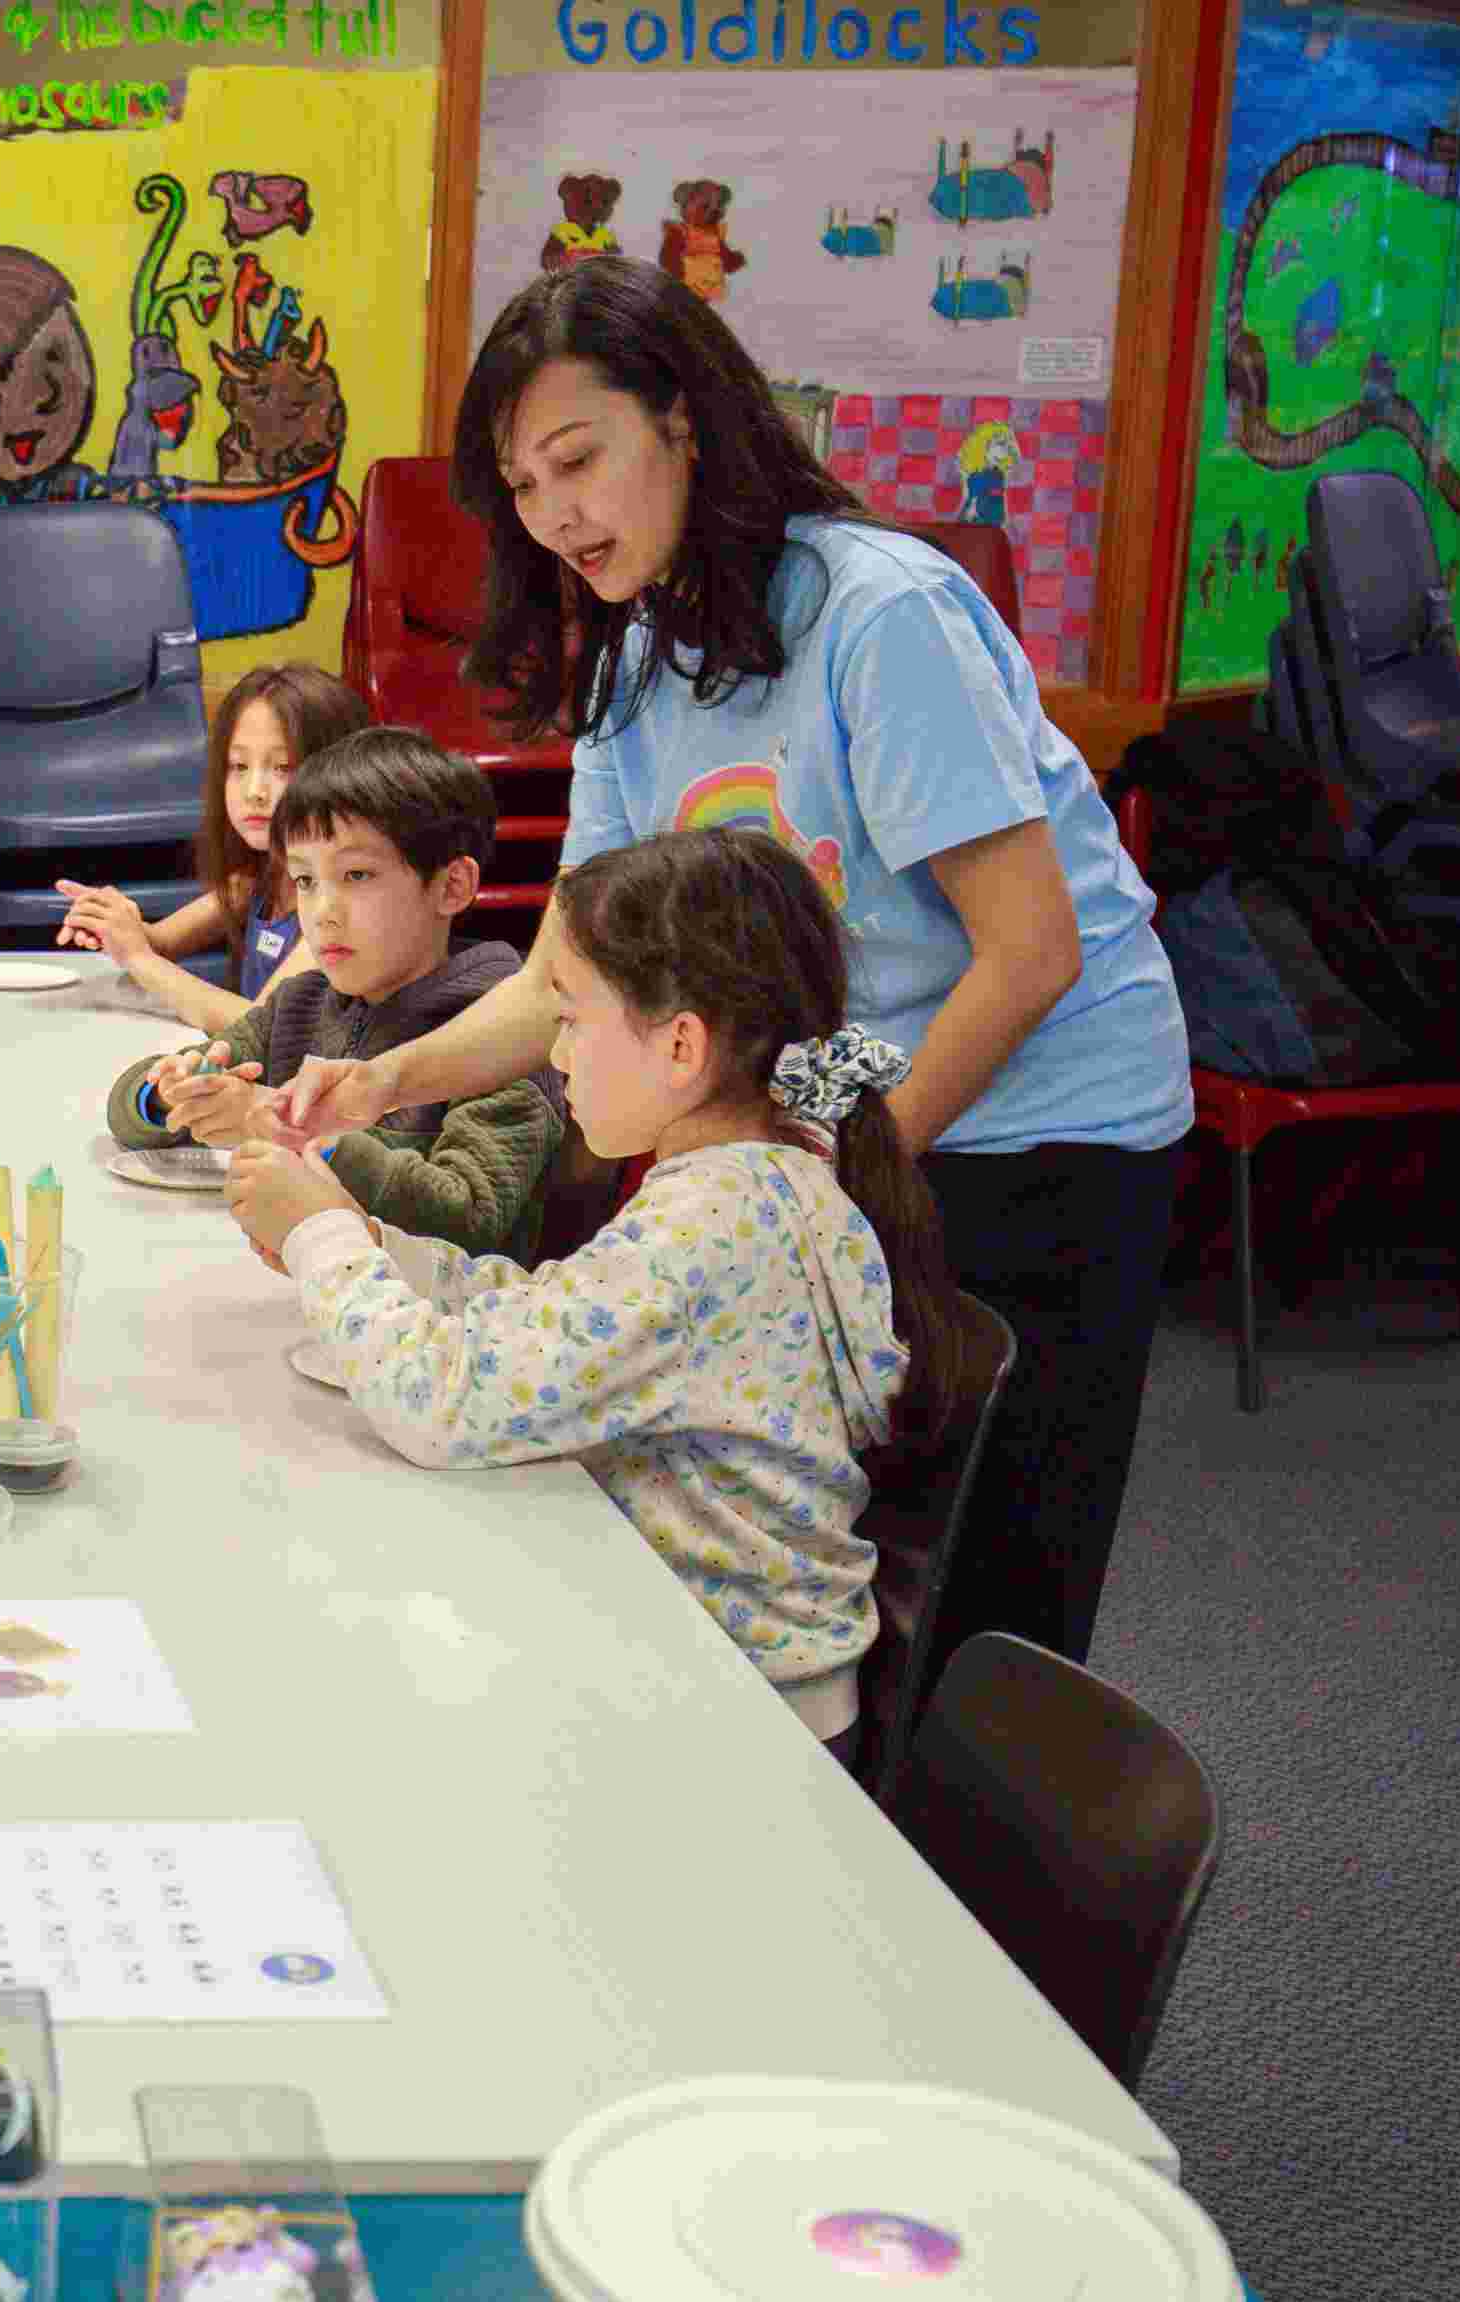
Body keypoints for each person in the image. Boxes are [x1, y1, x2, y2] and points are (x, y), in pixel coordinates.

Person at [278, 256, 1189, 1681]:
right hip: (839, 1100)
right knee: (820, 1529)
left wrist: (820, 1160)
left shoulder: (877, 615)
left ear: (686, 422)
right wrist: (379, 1077)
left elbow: (1031, 951)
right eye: (521, 486)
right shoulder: (644, 651)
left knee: (984, 1587)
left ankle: (965, 1877)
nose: (554, 513)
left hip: (1039, 1111)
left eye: (579, 460)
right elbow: (565, 969)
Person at [230, 828, 988, 1752]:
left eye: (570, 1019)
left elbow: (438, 1403)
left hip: (736, 1721)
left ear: (679, 1046)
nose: (554, 1055)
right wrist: (384, 1253)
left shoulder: (713, 1221)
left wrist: (322, 1236)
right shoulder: (761, 1174)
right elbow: (556, 1315)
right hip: (704, 1665)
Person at [105, 730, 566, 1257]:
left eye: (356, 874)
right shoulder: (299, 1003)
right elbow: (129, 1114)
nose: (323, 911)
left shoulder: (505, 1037)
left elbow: (469, 1215)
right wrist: (172, 1094)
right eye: (304, 881)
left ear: (451, 886)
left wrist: (298, 1136)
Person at [55, 662, 369, 1036]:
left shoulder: (344, 908)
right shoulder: (254, 880)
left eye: (283, 767)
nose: (254, 791)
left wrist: (136, 955)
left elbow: (259, 1028)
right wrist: (112, 920)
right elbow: (160, 943)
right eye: (238, 766)